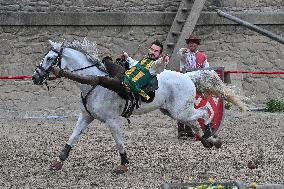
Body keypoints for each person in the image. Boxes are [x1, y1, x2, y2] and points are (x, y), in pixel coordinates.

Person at [52, 40, 169, 101]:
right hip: (124, 74)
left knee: (99, 80)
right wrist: (127, 57)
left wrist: (163, 60)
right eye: (152, 49)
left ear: (159, 54)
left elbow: (160, 65)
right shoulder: (145, 59)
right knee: (107, 60)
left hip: (126, 86)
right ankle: (107, 75)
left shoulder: (155, 65)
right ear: (149, 49)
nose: (153, 52)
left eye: (156, 51)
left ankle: (64, 73)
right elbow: (135, 64)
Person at [177, 32, 211, 139]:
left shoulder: (203, 56)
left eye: (194, 43)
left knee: (193, 107)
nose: (191, 45)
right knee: (183, 105)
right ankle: (182, 130)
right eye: (190, 44)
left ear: (197, 44)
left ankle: (191, 129)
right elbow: (181, 58)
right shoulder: (184, 55)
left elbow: (207, 71)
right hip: (186, 82)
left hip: (197, 84)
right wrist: (183, 52)